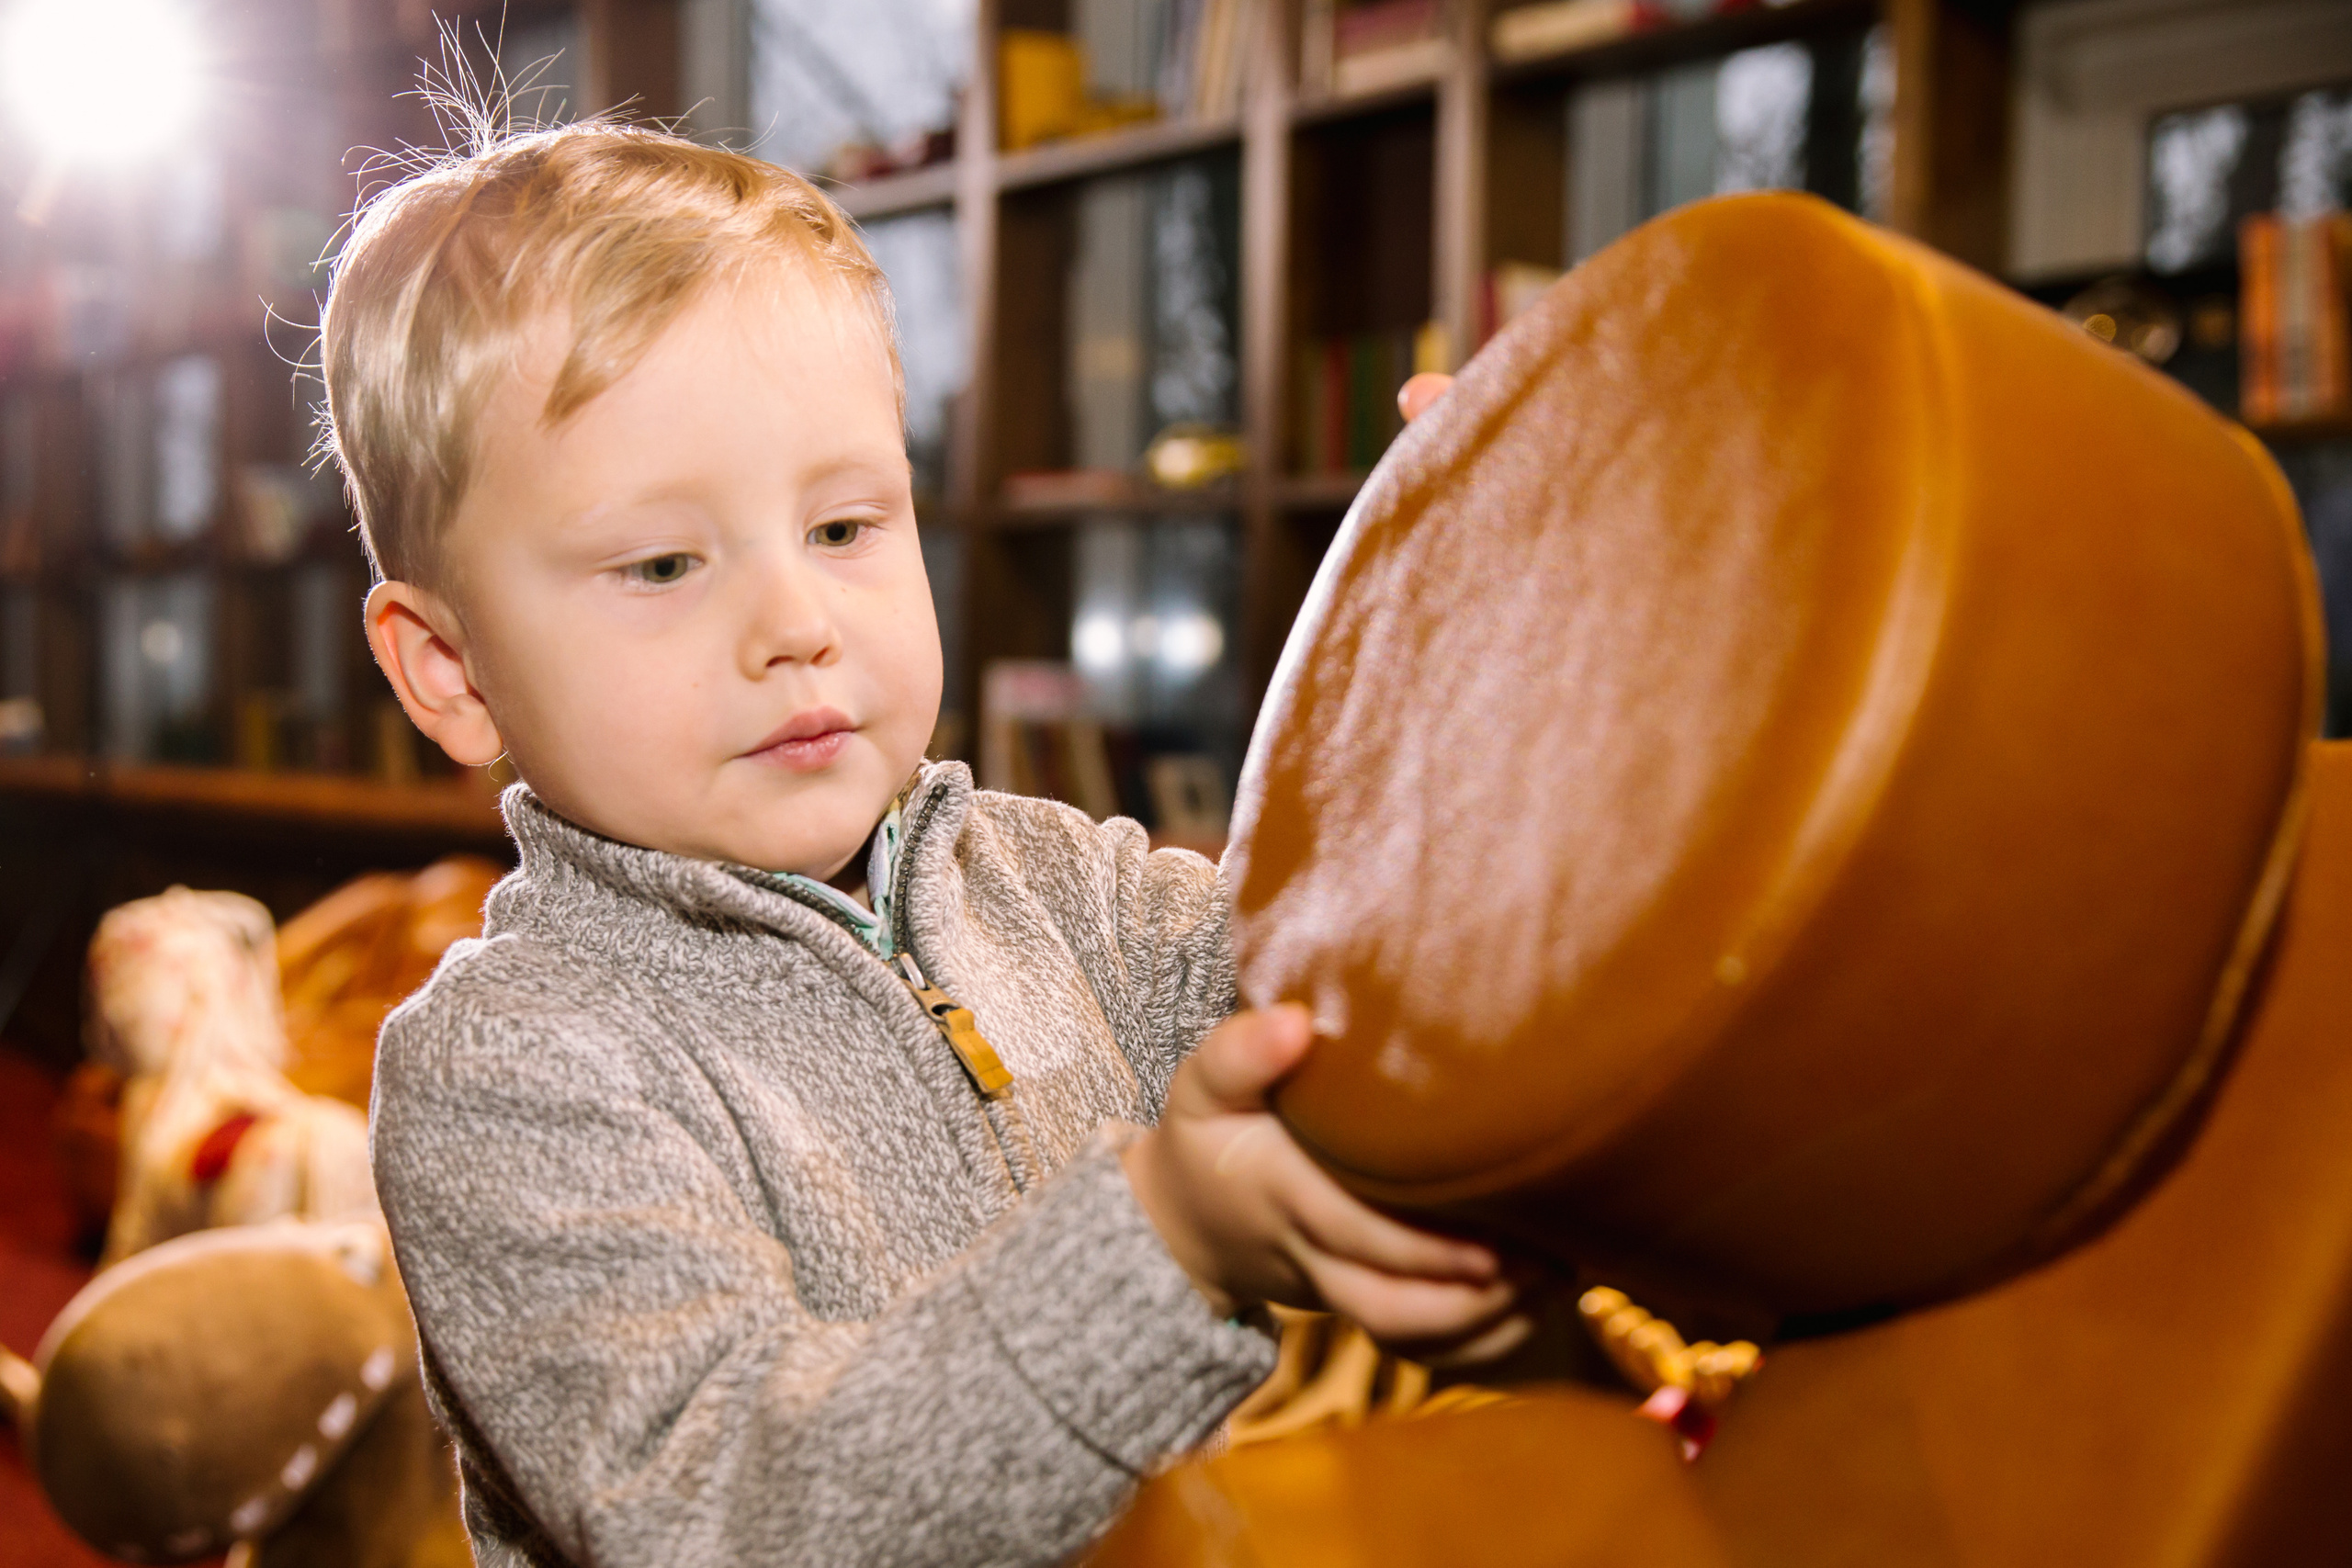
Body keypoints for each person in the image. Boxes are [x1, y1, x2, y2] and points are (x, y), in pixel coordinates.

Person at [325, 119, 1522, 1568]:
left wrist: (1485, 658)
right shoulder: (512, 1070)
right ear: (449, 669)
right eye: (664, 563)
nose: (797, 624)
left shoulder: (1063, 889)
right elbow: (725, 1518)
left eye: (844, 528)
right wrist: (1163, 1249)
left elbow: (1365, 1006)